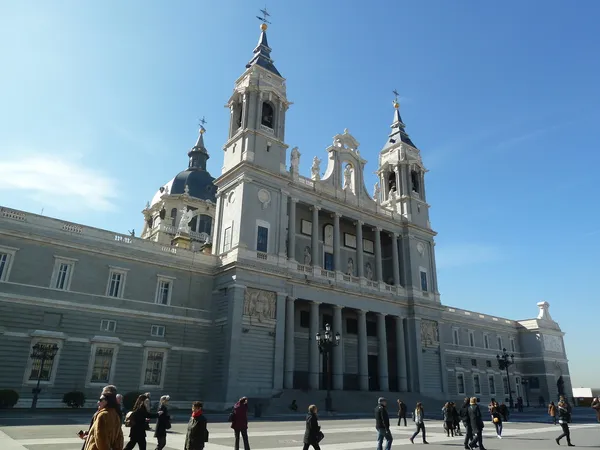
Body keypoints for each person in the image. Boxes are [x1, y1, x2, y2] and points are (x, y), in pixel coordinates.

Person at [81, 385, 124, 450]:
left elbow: (101, 438)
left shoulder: (103, 415)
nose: (98, 402)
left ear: (107, 401)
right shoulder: (115, 413)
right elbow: (119, 437)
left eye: (100, 400)